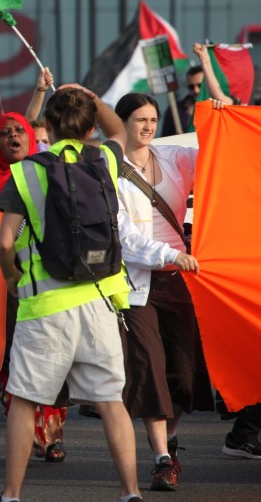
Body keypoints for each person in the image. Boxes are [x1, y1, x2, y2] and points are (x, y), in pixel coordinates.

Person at [0, 84, 143, 502]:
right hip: (99, 300)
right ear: (89, 123)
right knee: (112, 402)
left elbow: (6, 243)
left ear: (47, 126)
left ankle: (11, 494)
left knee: (24, 401)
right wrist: (92, 98)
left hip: (44, 306)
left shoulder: (25, 171)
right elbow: (121, 133)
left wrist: (10, 279)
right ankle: (130, 491)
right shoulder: (104, 160)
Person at [113, 92, 213, 491]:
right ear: (122, 123)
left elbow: (217, 157)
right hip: (136, 284)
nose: (149, 127)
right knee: (150, 368)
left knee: (184, 376)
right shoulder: (111, 170)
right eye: (140, 119)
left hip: (179, 281)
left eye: (153, 119)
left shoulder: (175, 157)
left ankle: (169, 439)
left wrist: (218, 109)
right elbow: (125, 238)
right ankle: (162, 458)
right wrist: (172, 252)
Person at [0, 112, 66, 456]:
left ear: (31, 137)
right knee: (10, 359)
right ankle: (27, 430)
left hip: (48, 282)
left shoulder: (51, 175)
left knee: (49, 354)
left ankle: (50, 434)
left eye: (20, 130)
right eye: (6, 133)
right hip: (3, 289)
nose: (13, 137)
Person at [160, 65, 203, 137]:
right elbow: (165, 140)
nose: (196, 90)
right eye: (191, 87)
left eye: (200, 85)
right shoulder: (174, 111)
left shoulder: (217, 107)